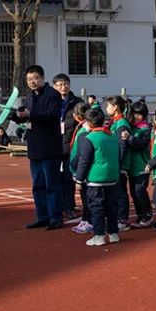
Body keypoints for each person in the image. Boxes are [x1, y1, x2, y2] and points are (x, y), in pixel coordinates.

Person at [10, 65, 64, 230]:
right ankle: (42, 216)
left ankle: (55, 217)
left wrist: (30, 115)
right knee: (37, 185)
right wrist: (15, 116)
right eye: (29, 79)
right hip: (34, 148)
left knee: (52, 185)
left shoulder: (53, 95)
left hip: (50, 147)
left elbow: (52, 115)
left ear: (42, 78)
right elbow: (25, 117)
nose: (32, 82)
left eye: (35, 78)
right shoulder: (29, 97)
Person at [74, 108, 121, 247]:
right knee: (111, 207)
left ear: (89, 123)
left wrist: (79, 179)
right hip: (112, 177)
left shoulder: (90, 138)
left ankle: (99, 235)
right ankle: (113, 234)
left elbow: (84, 160)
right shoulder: (112, 136)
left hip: (96, 179)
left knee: (96, 208)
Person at [53, 73, 84, 222]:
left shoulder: (77, 102)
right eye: (59, 85)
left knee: (68, 179)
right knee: (54, 179)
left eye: (65, 84)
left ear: (69, 85)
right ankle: (57, 207)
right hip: (53, 147)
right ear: (54, 87)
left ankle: (70, 207)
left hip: (70, 147)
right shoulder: (50, 101)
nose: (62, 87)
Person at [124, 100, 154, 229]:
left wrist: (130, 138)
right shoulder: (131, 126)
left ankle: (147, 214)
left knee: (139, 190)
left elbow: (141, 145)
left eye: (140, 114)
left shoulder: (145, 128)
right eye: (135, 113)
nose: (137, 116)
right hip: (132, 166)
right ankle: (140, 215)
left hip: (142, 165)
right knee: (133, 191)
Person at [104, 96, 132, 232]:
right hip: (114, 164)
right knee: (115, 194)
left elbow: (123, 146)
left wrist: (118, 164)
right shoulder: (114, 122)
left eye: (108, 105)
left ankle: (123, 220)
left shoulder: (121, 124)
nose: (106, 108)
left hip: (119, 165)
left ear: (115, 107)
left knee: (120, 194)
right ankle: (117, 218)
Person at [70, 102, 94, 235]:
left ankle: (90, 221)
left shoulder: (85, 130)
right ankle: (86, 218)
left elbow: (82, 153)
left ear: (77, 116)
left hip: (83, 169)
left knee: (87, 198)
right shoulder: (82, 128)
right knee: (85, 197)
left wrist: (75, 166)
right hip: (79, 168)